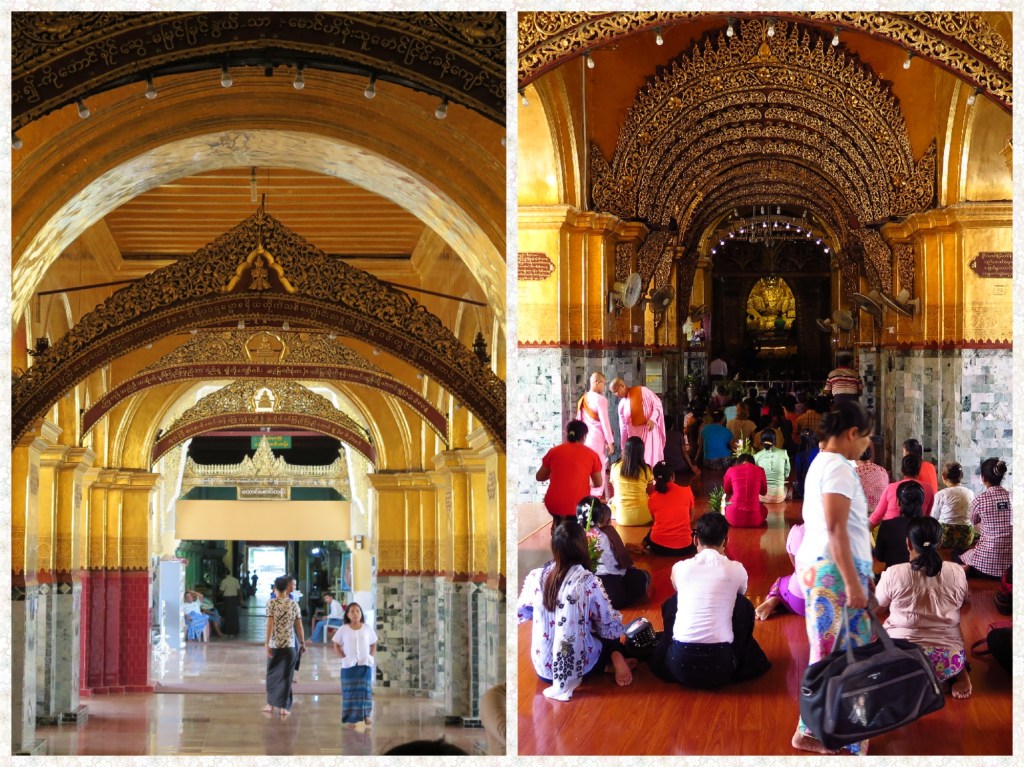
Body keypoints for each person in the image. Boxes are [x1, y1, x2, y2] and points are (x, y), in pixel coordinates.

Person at [792, 400, 874, 755]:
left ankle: (821, 727)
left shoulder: (822, 462)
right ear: (852, 434)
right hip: (834, 573)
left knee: (835, 651)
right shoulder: (839, 466)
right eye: (866, 438)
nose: (866, 446)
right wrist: (854, 583)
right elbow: (836, 527)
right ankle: (833, 732)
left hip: (831, 569)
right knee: (843, 653)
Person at [517, 520, 633, 701]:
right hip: (580, 667)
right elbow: (607, 623)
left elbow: (524, 611)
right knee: (610, 629)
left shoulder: (536, 576)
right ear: (582, 546)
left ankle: (605, 666)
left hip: (543, 670)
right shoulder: (586, 581)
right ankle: (614, 656)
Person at [659, 513, 770, 687]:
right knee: (741, 604)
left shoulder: (679, 568)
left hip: (679, 665)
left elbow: (678, 590)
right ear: (725, 542)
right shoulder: (736, 569)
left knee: (675, 601)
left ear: (696, 540)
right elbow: (741, 594)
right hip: (721, 667)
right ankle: (739, 653)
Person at [876, 516, 971, 698]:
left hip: (902, 660)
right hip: (948, 660)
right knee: (950, 646)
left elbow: (877, 610)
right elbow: (963, 600)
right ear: (941, 542)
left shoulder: (894, 573)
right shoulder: (957, 571)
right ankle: (952, 675)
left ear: (908, 544)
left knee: (875, 642)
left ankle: (920, 681)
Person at [577, 496, 650, 608]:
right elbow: (618, 561)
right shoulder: (608, 532)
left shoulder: (575, 535)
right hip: (611, 593)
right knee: (643, 577)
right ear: (600, 517)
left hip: (584, 591)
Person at [536, 420, 602, 526]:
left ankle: (557, 526)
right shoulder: (592, 455)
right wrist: (583, 481)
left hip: (554, 504)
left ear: (568, 434)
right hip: (579, 506)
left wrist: (556, 473)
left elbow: (539, 477)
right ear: (584, 436)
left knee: (560, 522)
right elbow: (598, 483)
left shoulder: (554, 451)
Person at [960, 457, 1012, 578]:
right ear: (1001, 477)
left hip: (985, 565)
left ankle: (968, 569)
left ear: (983, 478)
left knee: (956, 553)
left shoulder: (980, 500)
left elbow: (973, 521)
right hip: (1011, 567)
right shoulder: (1013, 497)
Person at [263, 575, 304, 719]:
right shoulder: (294, 604)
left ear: (275, 589)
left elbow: (269, 624)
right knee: (287, 676)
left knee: (272, 674)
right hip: (290, 646)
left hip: (275, 645)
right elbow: (299, 626)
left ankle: (270, 704)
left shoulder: (271, 603)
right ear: (286, 588)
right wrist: (303, 642)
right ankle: (284, 708)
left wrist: (267, 643)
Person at [332, 601, 378, 726]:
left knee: (365, 691)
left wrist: (370, 656)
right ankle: (350, 718)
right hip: (348, 666)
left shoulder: (367, 628)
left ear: (361, 613)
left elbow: (373, 643)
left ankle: (366, 715)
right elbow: (336, 644)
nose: (355, 614)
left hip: (365, 664)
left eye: (358, 611)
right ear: (347, 614)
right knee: (350, 692)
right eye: (352, 611)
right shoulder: (343, 629)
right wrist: (343, 657)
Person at [642, 462, 697, 557]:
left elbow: (656, 521)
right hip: (685, 548)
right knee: (697, 532)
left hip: (658, 547)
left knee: (654, 529)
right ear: (673, 476)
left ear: (655, 479)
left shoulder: (652, 498)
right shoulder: (686, 491)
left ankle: (642, 545)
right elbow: (690, 518)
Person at [609, 377, 666, 466]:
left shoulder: (643, 391)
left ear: (622, 386)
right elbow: (623, 428)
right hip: (634, 440)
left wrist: (652, 419)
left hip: (649, 433)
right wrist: (624, 447)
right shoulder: (622, 405)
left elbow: (657, 406)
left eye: (616, 391)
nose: (616, 394)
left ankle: (651, 479)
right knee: (637, 463)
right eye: (613, 393)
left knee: (649, 460)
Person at [754, 524, 806, 619]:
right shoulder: (841, 531)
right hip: (835, 605)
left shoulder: (798, 530)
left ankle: (775, 598)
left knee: (782, 582)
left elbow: (796, 565)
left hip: (800, 602)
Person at [576, 372, 616, 496]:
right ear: (597, 382)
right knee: (598, 466)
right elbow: (605, 422)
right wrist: (610, 442)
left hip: (585, 440)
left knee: (586, 467)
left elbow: (579, 421)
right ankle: (597, 494)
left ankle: (585, 492)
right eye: (604, 384)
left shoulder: (583, 398)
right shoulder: (600, 399)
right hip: (597, 440)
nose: (604, 387)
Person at [873, 480, 925, 570]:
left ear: (898, 502)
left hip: (894, 577)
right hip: (924, 579)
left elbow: (880, 557)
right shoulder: (929, 526)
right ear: (922, 502)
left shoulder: (887, 526)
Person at [869, 453, 935, 524]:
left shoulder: (891, 488)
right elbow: (926, 516)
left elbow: (876, 516)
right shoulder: (929, 489)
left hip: (892, 530)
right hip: (917, 531)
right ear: (919, 470)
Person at [609, 436, 653, 525]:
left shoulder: (615, 467)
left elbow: (615, 487)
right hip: (645, 517)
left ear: (625, 450)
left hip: (622, 519)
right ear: (642, 452)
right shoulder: (646, 469)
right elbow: (650, 491)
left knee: (611, 501)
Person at [933, 461, 976, 551]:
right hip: (966, 537)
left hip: (945, 538)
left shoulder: (941, 494)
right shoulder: (970, 493)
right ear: (961, 476)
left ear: (943, 476)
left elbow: (934, 517)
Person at [722, 453, 767, 527]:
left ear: (738, 462)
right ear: (753, 463)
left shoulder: (731, 470)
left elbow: (726, 490)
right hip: (755, 520)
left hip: (733, 518)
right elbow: (764, 492)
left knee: (725, 507)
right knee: (764, 509)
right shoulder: (760, 470)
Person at [754, 429, 790, 503]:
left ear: (761, 441)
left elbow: (755, 476)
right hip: (779, 497)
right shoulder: (783, 453)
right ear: (775, 440)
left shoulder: (757, 456)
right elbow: (787, 474)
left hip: (761, 497)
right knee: (785, 487)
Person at [855, 443, 890, 513]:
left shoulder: (854, 473)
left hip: (864, 515)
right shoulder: (882, 470)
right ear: (870, 455)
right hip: (883, 513)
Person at [663, 415, 701, 479]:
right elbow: (684, 452)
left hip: (666, 469)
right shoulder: (678, 435)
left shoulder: (659, 436)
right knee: (693, 461)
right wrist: (692, 466)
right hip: (680, 468)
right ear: (672, 426)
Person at [218, 570, 243, 636]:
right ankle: (235, 631)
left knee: (228, 615)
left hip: (227, 600)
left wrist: (216, 595)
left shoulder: (224, 581)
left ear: (224, 574)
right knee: (234, 615)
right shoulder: (235, 580)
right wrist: (241, 599)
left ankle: (228, 631)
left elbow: (221, 591)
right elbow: (239, 590)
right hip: (234, 599)